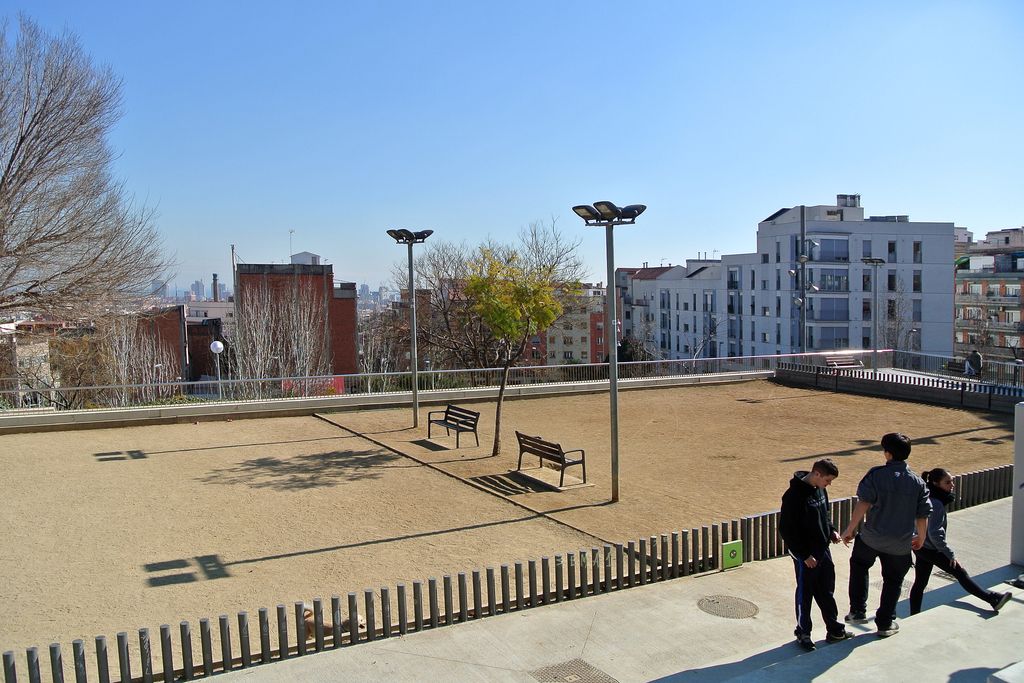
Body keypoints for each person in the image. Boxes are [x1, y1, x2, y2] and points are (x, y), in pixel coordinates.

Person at [841, 433, 931, 638]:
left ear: (887, 454)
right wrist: (922, 537)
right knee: (893, 580)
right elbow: (923, 514)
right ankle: (885, 622)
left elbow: (863, 502)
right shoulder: (917, 482)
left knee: (859, 565)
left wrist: (850, 528)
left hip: (872, 536)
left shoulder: (876, 474)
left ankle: (857, 610)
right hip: (900, 542)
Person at [908, 467, 1012, 614]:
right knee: (960, 573)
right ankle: (992, 599)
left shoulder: (926, 498)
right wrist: (949, 553)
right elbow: (935, 533)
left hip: (921, 547)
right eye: (948, 482)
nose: (952, 485)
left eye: (952, 481)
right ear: (936, 484)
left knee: (920, 582)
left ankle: (914, 613)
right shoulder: (936, 504)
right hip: (932, 549)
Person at [780, 458, 852, 651]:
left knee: (826, 590)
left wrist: (832, 531)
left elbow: (824, 514)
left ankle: (834, 628)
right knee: (805, 593)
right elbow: (786, 530)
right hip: (806, 556)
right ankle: (803, 632)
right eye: (827, 480)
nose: (829, 484)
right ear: (817, 474)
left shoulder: (820, 489)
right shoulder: (793, 496)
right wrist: (804, 555)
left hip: (823, 550)